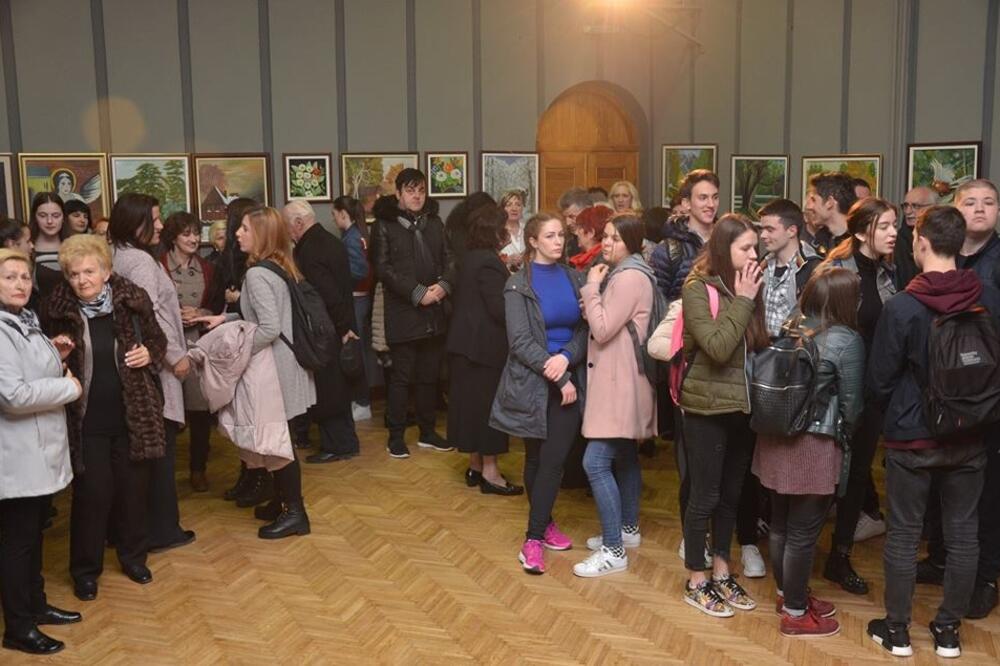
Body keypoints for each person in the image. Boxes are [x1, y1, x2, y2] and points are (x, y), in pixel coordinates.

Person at [866, 205, 1000, 659]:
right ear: (961, 245)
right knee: (964, 535)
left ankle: (898, 630)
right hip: (970, 433)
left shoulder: (903, 305)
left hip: (913, 437)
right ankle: (947, 631)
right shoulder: (991, 298)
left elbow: (879, 381)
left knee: (903, 534)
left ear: (920, 242)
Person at [41, 235, 167, 603]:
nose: (83, 280)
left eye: (90, 271)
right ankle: (85, 571)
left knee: (133, 493)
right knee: (91, 498)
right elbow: (43, 364)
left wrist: (149, 353)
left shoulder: (132, 302)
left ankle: (133, 557)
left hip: (134, 415)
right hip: (86, 420)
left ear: (107, 272)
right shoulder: (56, 310)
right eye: (75, 273)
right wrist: (59, 358)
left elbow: (158, 341)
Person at [752, 268, 865, 637]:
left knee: (782, 524)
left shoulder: (792, 324)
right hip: (813, 445)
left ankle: (789, 595)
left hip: (774, 438)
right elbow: (852, 405)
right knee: (803, 533)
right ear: (847, 301)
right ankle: (797, 613)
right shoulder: (846, 339)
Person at [196, 206, 316, 538]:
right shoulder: (279, 266)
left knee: (279, 444)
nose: (237, 233)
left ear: (261, 235)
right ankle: (282, 503)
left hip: (275, 372)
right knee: (282, 439)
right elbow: (263, 320)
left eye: (245, 228)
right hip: (287, 367)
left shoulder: (257, 275)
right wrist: (227, 320)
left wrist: (237, 353)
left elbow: (269, 328)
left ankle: (295, 513)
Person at [678, 214, 769, 617]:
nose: (754, 254)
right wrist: (746, 299)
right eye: (746, 248)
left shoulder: (747, 286)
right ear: (723, 249)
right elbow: (716, 347)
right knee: (705, 496)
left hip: (742, 407)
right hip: (705, 406)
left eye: (755, 247)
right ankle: (695, 578)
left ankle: (720, 570)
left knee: (731, 496)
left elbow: (755, 344)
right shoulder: (698, 288)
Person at [918, 179, 1000, 620]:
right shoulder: (940, 258)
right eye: (972, 202)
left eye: (990, 202)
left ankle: (985, 577)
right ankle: (941, 558)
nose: (981, 209)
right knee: (939, 482)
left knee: (986, 493)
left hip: (987, 394)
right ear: (957, 210)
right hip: (942, 396)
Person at [491, 212, 588, 574]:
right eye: (550, 236)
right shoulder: (517, 284)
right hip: (533, 382)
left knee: (553, 461)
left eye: (561, 234)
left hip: (566, 375)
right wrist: (555, 372)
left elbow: (584, 329)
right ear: (533, 241)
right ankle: (543, 525)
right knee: (534, 458)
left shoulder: (574, 277)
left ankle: (532, 536)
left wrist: (565, 358)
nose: (558, 241)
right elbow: (519, 341)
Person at [0, 249, 82, 655]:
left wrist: (56, 357)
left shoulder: (24, 321)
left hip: (38, 452)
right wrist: (69, 387)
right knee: (18, 543)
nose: (20, 284)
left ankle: (35, 605)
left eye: (25, 277)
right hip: (17, 457)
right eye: (9, 277)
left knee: (33, 538)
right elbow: (12, 395)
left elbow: (28, 373)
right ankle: (17, 626)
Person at [108, 193, 195, 553]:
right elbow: (153, 316)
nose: (160, 226)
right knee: (160, 455)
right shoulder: (140, 261)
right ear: (135, 223)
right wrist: (175, 356)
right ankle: (163, 531)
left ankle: (131, 530)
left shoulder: (117, 254)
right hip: (155, 367)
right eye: (154, 219)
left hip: (135, 366)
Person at [818, 197, 897, 593]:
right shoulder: (836, 269)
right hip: (834, 393)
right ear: (864, 229)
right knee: (826, 474)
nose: (893, 232)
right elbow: (815, 330)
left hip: (871, 393)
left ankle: (839, 556)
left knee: (855, 477)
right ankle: (800, 552)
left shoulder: (888, 271)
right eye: (884, 226)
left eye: (894, 225)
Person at [572, 213, 656, 577]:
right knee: (625, 454)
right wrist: (595, 303)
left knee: (595, 462)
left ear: (633, 244)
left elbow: (603, 329)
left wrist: (591, 289)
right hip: (624, 379)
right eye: (605, 237)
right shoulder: (630, 273)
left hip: (619, 382)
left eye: (616, 239)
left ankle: (613, 549)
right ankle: (628, 528)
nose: (607, 244)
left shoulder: (629, 276)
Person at [372, 168, 455, 458]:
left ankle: (428, 432)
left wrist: (443, 287)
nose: (417, 195)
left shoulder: (435, 222)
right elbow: (383, 269)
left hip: (435, 313)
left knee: (429, 377)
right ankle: (396, 437)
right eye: (410, 190)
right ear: (398, 194)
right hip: (404, 312)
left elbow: (449, 258)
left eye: (420, 190)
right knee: (401, 379)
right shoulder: (383, 225)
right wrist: (418, 293)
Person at [447, 205, 521, 495]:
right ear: (493, 230)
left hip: (464, 345)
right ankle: (491, 474)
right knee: (491, 411)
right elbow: (498, 309)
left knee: (472, 409)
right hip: (484, 348)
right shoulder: (489, 262)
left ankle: (476, 465)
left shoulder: (470, 257)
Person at [282, 200, 360, 464]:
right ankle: (345, 442)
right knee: (339, 387)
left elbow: (325, 295)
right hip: (340, 324)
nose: (287, 232)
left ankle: (337, 445)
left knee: (329, 389)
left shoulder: (310, 250)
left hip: (328, 330)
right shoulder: (331, 241)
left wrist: (342, 328)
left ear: (299, 223)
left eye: (288, 226)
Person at [159, 212, 219, 491]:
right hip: (164, 348)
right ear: (172, 237)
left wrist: (201, 313)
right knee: (166, 413)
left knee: (199, 411)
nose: (194, 238)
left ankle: (199, 469)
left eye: (197, 233)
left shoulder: (207, 268)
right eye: (187, 234)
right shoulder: (158, 267)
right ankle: (163, 476)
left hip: (197, 345)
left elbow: (218, 308)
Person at [333, 195, 376, 422]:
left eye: (334, 214)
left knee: (356, 354)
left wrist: (338, 281)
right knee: (360, 352)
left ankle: (362, 402)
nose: (333, 218)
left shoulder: (351, 238)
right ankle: (361, 400)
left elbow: (359, 271)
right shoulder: (361, 235)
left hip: (356, 300)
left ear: (343, 213)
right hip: (363, 299)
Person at [650, 169, 718, 303]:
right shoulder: (667, 250)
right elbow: (657, 304)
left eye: (715, 197)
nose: (711, 204)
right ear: (686, 203)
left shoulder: (726, 242)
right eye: (703, 198)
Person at [758, 199, 821, 338]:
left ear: (791, 231)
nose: (762, 235)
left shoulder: (813, 269)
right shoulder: (763, 264)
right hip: (760, 354)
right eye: (762, 229)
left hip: (792, 355)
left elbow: (819, 321)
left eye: (770, 230)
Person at [803, 172, 857, 258]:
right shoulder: (818, 242)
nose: (809, 207)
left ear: (830, 202)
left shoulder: (859, 245)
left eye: (814, 200)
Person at [895, 186, 938, 289]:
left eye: (916, 206)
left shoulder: (945, 238)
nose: (908, 211)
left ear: (934, 207)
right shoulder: (896, 243)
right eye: (906, 206)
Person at [27, 192, 67, 304]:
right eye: (43, 216)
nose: (50, 221)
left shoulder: (74, 246)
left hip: (70, 314)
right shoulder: (27, 248)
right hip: (36, 313)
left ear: (63, 217)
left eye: (56, 216)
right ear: (35, 217)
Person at [568, 205, 612, 271]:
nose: (576, 233)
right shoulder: (586, 259)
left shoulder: (602, 264)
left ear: (590, 233)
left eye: (579, 228)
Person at [498, 190, 528, 271]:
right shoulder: (496, 232)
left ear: (522, 208)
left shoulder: (529, 229)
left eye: (518, 205)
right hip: (503, 278)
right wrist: (507, 260)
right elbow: (489, 258)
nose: (514, 208)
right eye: (509, 205)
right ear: (502, 209)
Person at [558, 187, 592, 258]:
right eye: (565, 218)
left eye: (572, 216)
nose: (568, 223)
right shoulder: (564, 238)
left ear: (587, 210)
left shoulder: (602, 237)